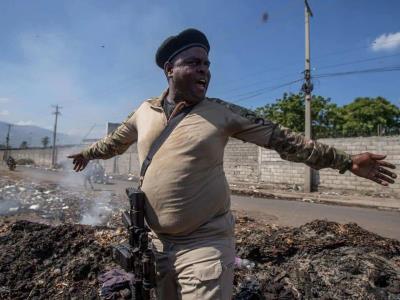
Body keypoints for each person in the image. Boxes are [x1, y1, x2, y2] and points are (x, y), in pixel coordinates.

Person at [68, 28, 397, 299]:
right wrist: (88, 154)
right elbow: (114, 142)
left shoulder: (222, 113)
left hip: (204, 243)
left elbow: (285, 140)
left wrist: (345, 160)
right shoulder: (144, 112)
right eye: (195, 62)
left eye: (208, 65)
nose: (205, 70)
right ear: (170, 69)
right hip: (155, 243)